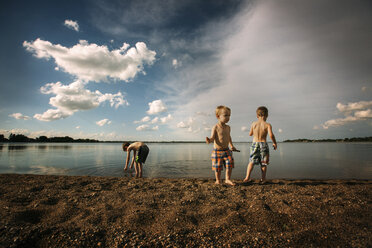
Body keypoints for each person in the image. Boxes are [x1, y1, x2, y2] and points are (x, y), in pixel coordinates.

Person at [206, 105, 239, 185]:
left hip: (227, 150)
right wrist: (209, 140)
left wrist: (231, 145)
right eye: (225, 115)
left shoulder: (228, 127)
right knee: (217, 167)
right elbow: (213, 138)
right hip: (217, 151)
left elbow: (229, 137)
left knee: (229, 164)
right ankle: (218, 180)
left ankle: (227, 179)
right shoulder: (216, 127)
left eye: (229, 115)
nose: (228, 117)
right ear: (218, 116)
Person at [244, 106, 277, 184]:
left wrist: (253, 132)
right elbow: (271, 135)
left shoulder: (253, 124)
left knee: (251, 161)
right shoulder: (267, 125)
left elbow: (250, 134)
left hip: (254, 144)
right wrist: (274, 143)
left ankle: (247, 177)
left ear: (257, 115)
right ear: (267, 115)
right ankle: (263, 179)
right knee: (263, 163)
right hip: (263, 144)